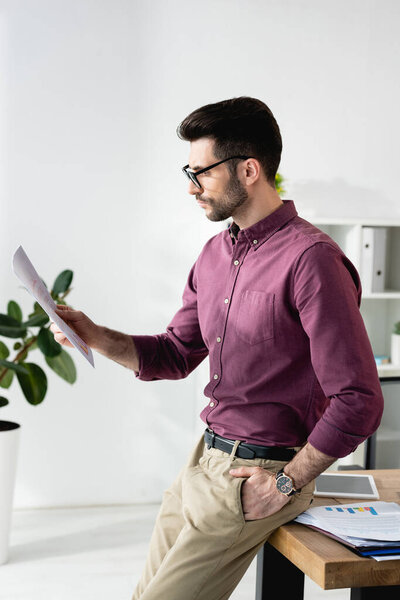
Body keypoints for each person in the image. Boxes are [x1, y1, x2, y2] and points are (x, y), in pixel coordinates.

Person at [50, 97, 384, 600]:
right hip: (201, 463)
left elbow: (359, 398)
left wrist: (287, 483)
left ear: (249, 170)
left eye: (200, 172)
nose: (190, 186)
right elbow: (175, 353)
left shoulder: (312, 260)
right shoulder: (212, 255)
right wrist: (94, 335)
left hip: (261, 473)